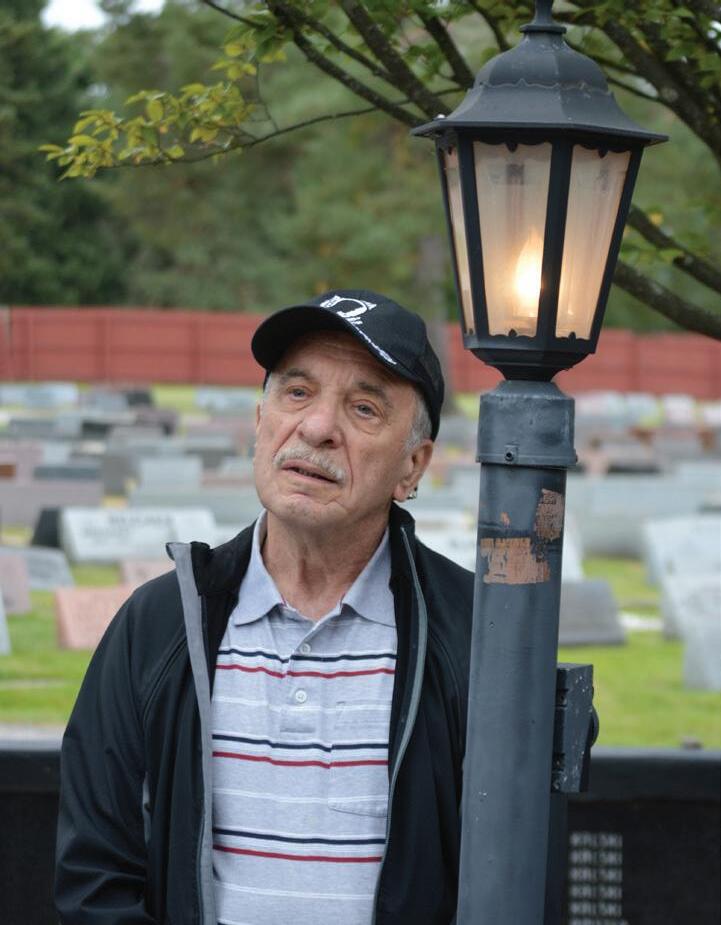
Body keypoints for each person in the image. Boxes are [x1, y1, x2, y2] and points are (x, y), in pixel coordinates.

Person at [55, 289, 474, 925]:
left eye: (363, 408)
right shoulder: (159, 624)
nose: (317, 428)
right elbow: (94, 877)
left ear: (412, 467)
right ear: (260, 421)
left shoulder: (473, 634)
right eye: (297, 392)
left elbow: (512, 879)